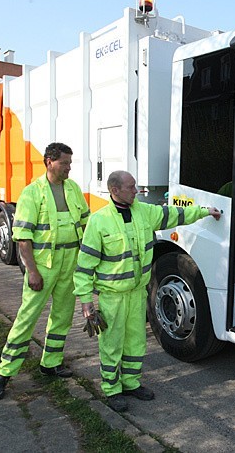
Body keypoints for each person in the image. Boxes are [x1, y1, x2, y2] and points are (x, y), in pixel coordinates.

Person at [74, 170, 221, 412]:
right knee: (112, 344)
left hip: (137, 293)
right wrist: (86, 301)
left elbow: (175, 214)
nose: (137, 190)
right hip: (113, 296)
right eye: (131, 187)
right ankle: (112, 389)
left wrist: (205, 212)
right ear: (115, 191)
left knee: (135, 342)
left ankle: (131, 383)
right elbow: (85, 265)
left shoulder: (143, 212)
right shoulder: (99, 222)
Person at [0, 142, 90, 400]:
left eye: (70, 162)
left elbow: (86, 224)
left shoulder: (73, 189)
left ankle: (51, 363)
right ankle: (3, 374)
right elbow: (23, 238)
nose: (69, 167)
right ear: (49, 162)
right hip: (43, 267)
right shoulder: (32, 193)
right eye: (64, 163)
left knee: (63, 316)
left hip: (70, 264)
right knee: (27, 318)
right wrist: (31, 271)